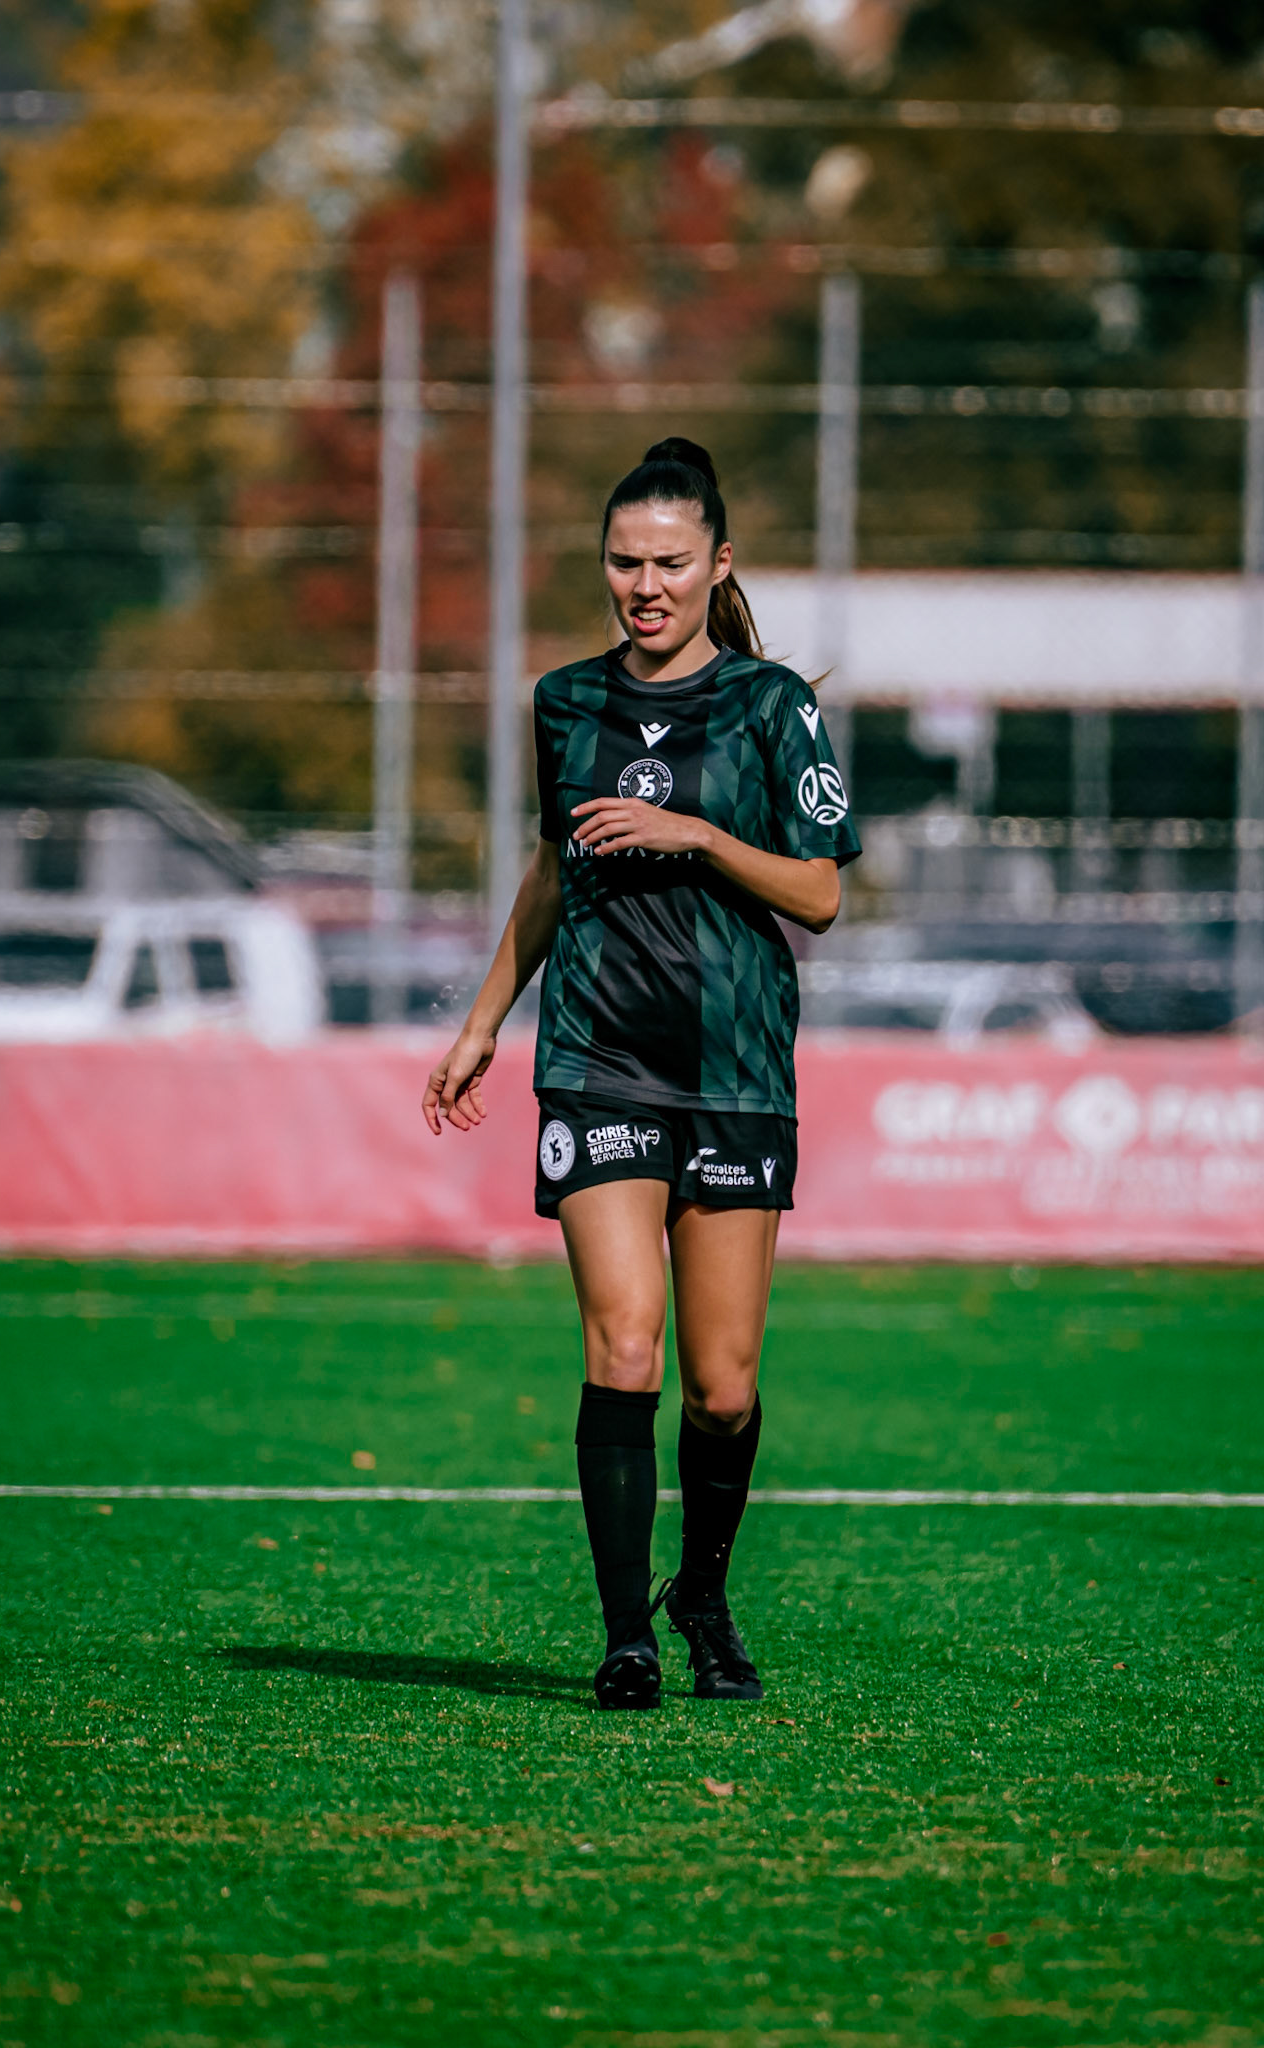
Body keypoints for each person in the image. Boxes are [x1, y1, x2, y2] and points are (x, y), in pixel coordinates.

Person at [423, 437, 859, 1709]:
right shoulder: (565, 701)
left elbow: (820, 895)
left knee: (723, 1389)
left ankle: (702, 1592)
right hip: (598, 1057)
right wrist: (484, 1020)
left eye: (670, 561)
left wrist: (697, 832)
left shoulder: (773, 706)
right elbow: (552, 870)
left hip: (733, 1065)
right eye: (625, 561)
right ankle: (627, 1637)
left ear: (719, 563)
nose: (645, 584)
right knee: (625, 1341)